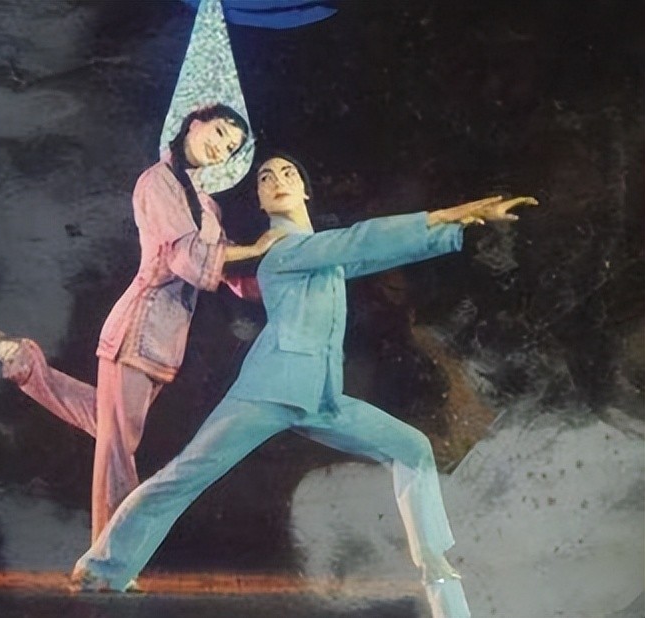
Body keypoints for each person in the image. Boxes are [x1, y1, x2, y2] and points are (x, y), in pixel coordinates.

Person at [70, 154, 538, 615]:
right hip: (268, 392)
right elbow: (359, 241)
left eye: (288, 173)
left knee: (412, 447)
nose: (277, 179)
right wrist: (451, 215)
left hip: (322, 398)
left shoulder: (325, 253)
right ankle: (102, 566)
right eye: (265, 177)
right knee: (185, 475)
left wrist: (457, 229)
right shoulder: (282, 251)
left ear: (305, 191)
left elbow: (364, 252)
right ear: (260, 199)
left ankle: (435, 563)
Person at [0, 105, 283, 543]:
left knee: (107, 424)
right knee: (118, 446)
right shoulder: (157, 183)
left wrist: (279, 278)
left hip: (165, 342)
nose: (221, 148)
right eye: (219, 133)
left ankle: (25, 363)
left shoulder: (206, 205)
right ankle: (111, 554)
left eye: (231, 148)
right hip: (137, 330)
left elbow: (228, 271)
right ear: (195, 122)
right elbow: (187, 258)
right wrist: (257, 248)